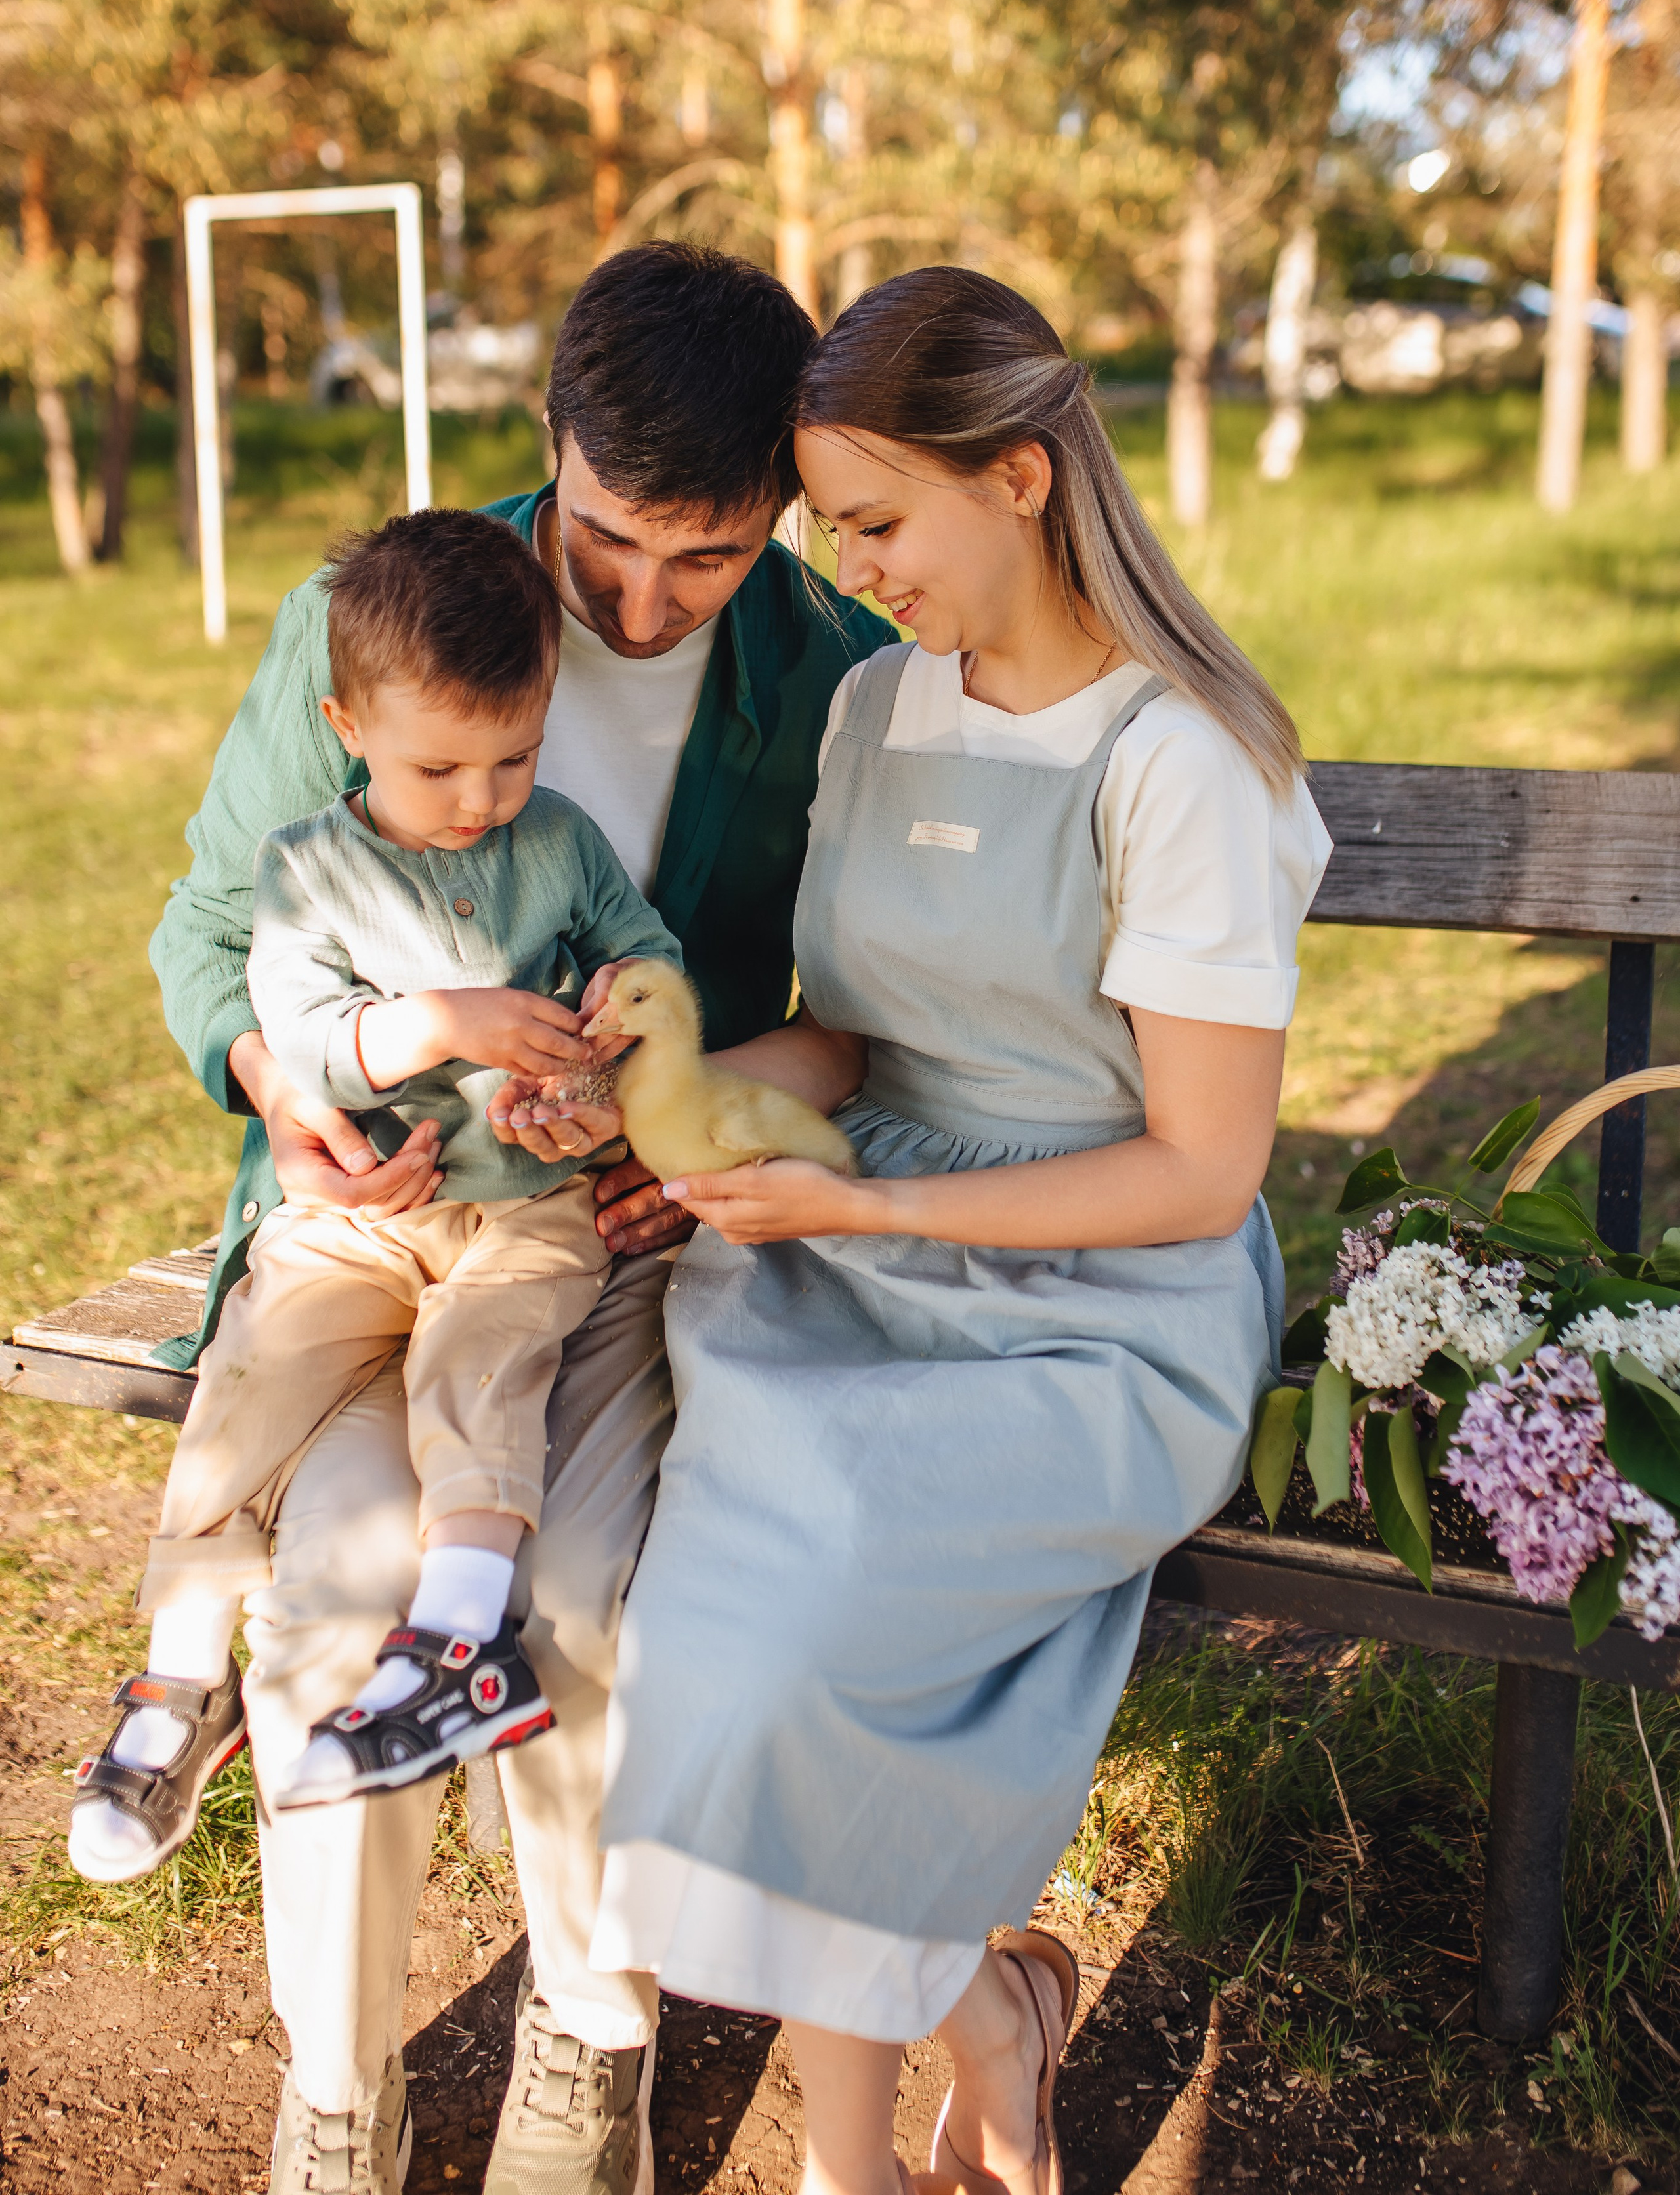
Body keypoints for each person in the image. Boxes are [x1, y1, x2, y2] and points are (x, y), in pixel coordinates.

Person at [145, 243, 890, 2194]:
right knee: (327, 1598)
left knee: (568, 1604)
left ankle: (593, 2027)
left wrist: (698, 1109)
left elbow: (874, 1022)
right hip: (371, 1236)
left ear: (780, 520)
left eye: (709, 559)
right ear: (546, 447)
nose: (646, 608)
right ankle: (335, 2088)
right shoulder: (390, 617)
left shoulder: (832, 681)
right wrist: (282, 1088)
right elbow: (210, 935)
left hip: (621, 1244)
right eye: (612, 541)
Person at [587, 267, 1333, 2195]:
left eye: (877, 522)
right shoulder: (876, 702)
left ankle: (904, 2110)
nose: (856, 566)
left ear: (1016, 477)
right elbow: (844, 1032)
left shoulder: (1183, 764)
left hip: (1106, 1297)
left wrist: (872, 1204)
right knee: (721, 1638)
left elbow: (1202, 1173)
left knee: (809, 1634)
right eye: (835, 528)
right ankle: (963, 2042)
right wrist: (642, 1091)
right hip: (852, 1265)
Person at [72, 511, 682, 1885]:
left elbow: (646, 953)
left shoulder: (561, 844)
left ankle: (456, 1646)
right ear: (347, 722)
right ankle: (178, 1672)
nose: (480, 798)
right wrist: (441, 1026)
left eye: (514, 757)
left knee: (493, 1363)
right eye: (439, 766)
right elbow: (308, 1036)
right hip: (370, 1207)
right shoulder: (308, 869)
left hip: (529, 1205)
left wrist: (610, 1033)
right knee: (258, 1372)